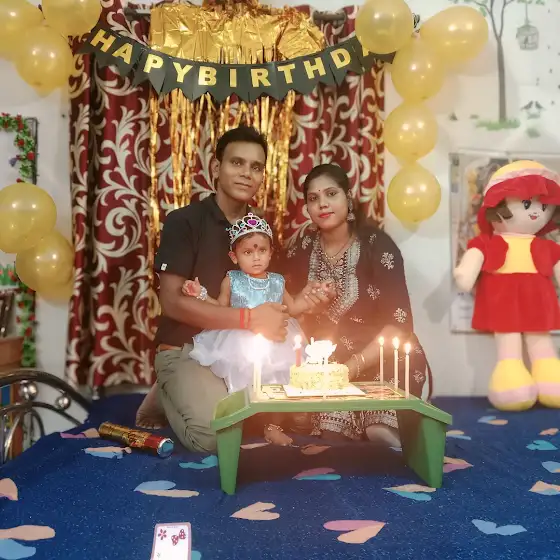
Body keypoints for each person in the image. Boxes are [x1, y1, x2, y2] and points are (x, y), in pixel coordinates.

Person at [135, 126, 331, 452]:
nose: (246, 173)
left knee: (299, 415)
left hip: (245, 353)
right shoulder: (185, 221)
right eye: (236, 163)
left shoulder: (259, 231)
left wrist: (307, 299)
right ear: (216, 167)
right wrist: (249, 320)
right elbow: (172, 302)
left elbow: (269, 296)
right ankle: (167, 389)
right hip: (186, 348)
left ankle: (201, 394)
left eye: (256, 167)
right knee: (215, 438)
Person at [279, 163, 432, 445]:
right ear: (307, 208)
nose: (322, 204)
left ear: (348, 198)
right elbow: (283, 303)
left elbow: (399, 324)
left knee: (380, 426)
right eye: (313, 198)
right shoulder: (302, 247)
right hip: (329, 361)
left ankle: (386, 425)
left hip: (382, 355)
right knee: (331, 434)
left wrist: (350, 368)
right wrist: (305, 308)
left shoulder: (377, 245)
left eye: (331, 194)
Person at [181, 212, 333, 445]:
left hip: (277, 340)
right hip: (238, 340)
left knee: (276, 381)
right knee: (239, 381)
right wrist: (201, 294)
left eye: (262, 250)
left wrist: (314, 295)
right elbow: (220, 309)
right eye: (248, 252)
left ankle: (272, 425)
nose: (256, 258)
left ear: (270, 252)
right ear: (234, 256)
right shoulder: (232, 280)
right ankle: (239, 421)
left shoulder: (277, 281)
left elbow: (292, 308)